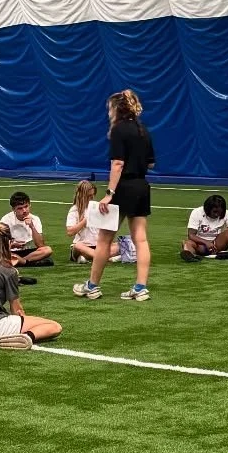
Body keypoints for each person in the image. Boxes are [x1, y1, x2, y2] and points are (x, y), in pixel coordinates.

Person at [73, 90, 162, 302]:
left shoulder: (118, 130)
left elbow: (118, 163)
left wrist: (109, 194)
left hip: (123, 188)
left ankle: (92, 286)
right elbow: (151, 163)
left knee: (104, 239)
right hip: (142, 186)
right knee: (140, 238)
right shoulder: (143, 130)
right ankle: (141, 287)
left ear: (117, 109)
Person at [0, 192, 54, 267]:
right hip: (12, 251)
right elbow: (0, 244)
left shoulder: (35, 219)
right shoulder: (6, 220)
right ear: (13, 209)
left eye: (26, 206)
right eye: (20, 208)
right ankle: (25, 262)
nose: (24, 210)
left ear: (30, 205)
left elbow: (40, 245)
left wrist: (32, 226)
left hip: (30, 252)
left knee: (47, 250)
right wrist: (12, 245)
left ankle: (19, 262)